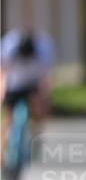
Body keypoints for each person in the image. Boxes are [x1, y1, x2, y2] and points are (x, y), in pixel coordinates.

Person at [1, 29, 56, 168]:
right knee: (8, 120)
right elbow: (3, 76)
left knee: (39, 109)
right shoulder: (9, 50)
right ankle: (3, 156)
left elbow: (46, 81)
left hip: (32, 85)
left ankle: (36, 134)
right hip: (14, 86)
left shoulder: (42, 53)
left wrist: (45, 101)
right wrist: (2, 96)